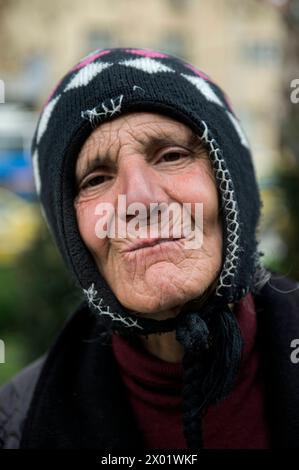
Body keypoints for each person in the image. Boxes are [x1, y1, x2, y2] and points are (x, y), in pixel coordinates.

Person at [0, 47, 299, 450]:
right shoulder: (17, 421)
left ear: (235, 188)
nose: (139, 200)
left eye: (172, 155)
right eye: (95, 179)